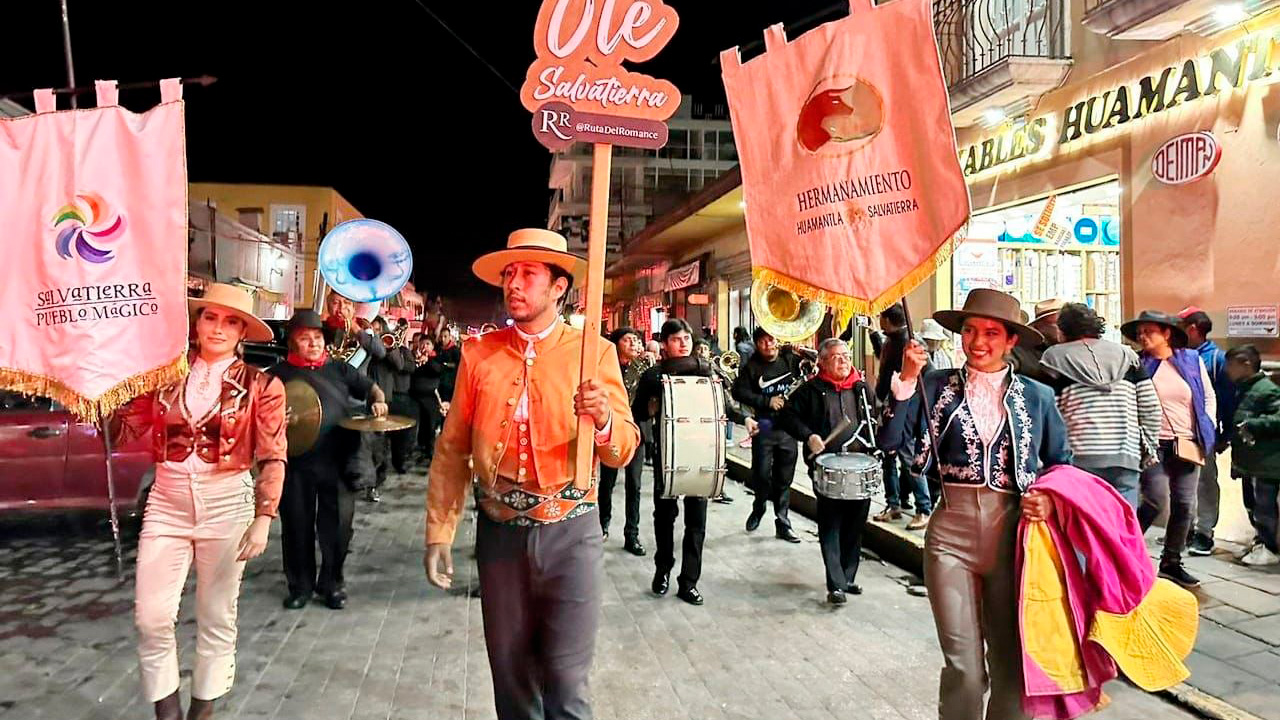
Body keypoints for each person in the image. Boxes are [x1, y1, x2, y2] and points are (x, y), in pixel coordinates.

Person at [424, 229, 640, 720]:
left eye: (528, 274)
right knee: (512, 679)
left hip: (573, 534)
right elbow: (453, 448)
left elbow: (623, 451)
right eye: (509, 274)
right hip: (499, 536)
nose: (513, 284)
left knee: (566, 682)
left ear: (558, 287)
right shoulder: (479, 353)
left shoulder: (594, 352)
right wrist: (439, 531)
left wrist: (604, 420)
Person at [880, 288, 1071, 720]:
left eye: (991, 332)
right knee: (964, 668)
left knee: (1012, 667)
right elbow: (891, 442)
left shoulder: (1038, 397)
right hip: (950, 534)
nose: (978, 342)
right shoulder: (933, 385)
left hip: (1014, 540)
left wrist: (1048, 501)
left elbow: (1063, 465)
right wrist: (906, 378)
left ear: (1011, 341)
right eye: (969, 330)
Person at [115, 283, 287, 720]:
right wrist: (107, 391)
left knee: (216, 616)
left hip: (227, 503)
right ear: (197, 322)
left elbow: (272, 454)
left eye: (231, 321)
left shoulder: (262, 385)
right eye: (211, 317)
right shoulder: (162, 377)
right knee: (151, 618)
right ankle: (167, 713)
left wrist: (264, 516)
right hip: (167, 501)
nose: (218, 328)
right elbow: (124, 431)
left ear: (243, 331)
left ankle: (201, 714)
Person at [269, 310, 387, 611]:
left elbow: (370, 387)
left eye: (318, 338)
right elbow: (261, 414)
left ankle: (333, 583)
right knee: (296, 525)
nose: (313, 344)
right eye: (305, 338)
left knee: (338, 529)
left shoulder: (339, 370)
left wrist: (379, 399)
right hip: (296, 463)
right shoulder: (278, 375)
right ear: (293, 343)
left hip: (337, 460)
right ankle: (300, 586)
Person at [633, 319, 748, 605]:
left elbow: (726, 404)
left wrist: (746, 419)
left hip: (701, 453)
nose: (683, 343)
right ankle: (662, 570)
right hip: (668, 456)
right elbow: (636, 413)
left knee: (696, 522)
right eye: (676, 339)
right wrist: (649, 408)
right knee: (664, 517)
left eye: (686, 338)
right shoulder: (653, 376)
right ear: (664, 345)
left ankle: (689, 581)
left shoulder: (707, 372)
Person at [1122, 310, 1217, 588]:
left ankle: (1171, 562)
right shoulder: (1137, 364)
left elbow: (1207, 395)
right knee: (1155, 499)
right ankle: (1124, 551)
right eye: (1139, 332)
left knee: (1186, 505)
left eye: (1149, 331)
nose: (1142, 336)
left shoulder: (1191, 360)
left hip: (1187, 442)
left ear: (1166, 333)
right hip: (1153, 444)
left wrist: (1207, 425)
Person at [780, 338, 875, 605]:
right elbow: (787, 416)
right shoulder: (810, 390)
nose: (843, 360)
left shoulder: (861, 388)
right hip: (826, 466)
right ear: (821, 362)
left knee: (855, 525)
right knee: (831, 524)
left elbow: (874, 416)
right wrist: (808, 435)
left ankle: (847, 576)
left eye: (846, 355)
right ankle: (835, 583)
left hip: (859, 464)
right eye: (835, 357)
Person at [1040, 303, 1162, 508]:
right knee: (1122, 527)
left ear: (1062, 331)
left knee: (1085, 530)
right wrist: (1147, 450)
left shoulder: (1054, 358)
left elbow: (1051, 413)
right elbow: (1150, 408)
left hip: (1077, 460)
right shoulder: (1128, 356)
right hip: (1125, 458)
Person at [733, 327, 812, 543]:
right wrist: (767, 401)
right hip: (765, 424)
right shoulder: (751, 367)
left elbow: (812, 374)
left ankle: (783, 522)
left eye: (771, 339)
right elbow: (738, 392)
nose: (769, 344)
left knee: (784, 478)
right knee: (760, 473)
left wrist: (802, 352)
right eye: (763, 341)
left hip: (788, 426)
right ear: (756, 344)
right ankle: (759, 507)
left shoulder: (790, 360)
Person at [1180, 307, 1239, 556]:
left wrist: (1223, 434)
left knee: (1205, 482)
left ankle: (1205, 532)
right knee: (1181, 482)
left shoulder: (1215, 359)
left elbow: (1226, 398)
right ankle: (1186, 528)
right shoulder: (1179, 355)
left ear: (1192, 329)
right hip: (1180, 429)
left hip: (1204, 431)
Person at [872, 303, 933, 529]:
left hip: (905, 409)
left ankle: (924, 508)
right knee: (888, 457)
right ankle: (893, 504)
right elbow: (884, 361)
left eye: (880, 318)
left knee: (908, 459)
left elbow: (928, 374)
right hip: (891, 405)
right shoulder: (892, 339)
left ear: (887, 320)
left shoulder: (910, 342)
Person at [1224, 345, 1280, 566]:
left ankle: (1269, 547)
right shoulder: (1244, 388)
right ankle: (1259, 542)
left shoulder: (1266, 389)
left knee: (1264, 507)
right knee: (1252, 505)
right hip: (1249, 461)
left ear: (1245, 363)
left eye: (1230, 365)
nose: (1227, 370)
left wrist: (1253, 425)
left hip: (1265, 463)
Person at [600, 327, 649, 555]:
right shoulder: (607, 367)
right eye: (627, 340)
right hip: (611, 432)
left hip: (637, 432)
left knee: (635, 484)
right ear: (616, 344)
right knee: (607, 482)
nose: (633, 344)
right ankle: (602, 523)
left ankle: (632, 534)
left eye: (636, 340)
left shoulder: (644, 368)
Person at [696, 338, 744, 503]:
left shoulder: (715, 367)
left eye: (704, 348)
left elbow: (728, 388)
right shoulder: (691, 369)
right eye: (699, 348)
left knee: (718, 456)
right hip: (700, 419)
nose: (702, 351)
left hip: (718, 416)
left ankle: (718, 488)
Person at [1010, 298, 1064, 386]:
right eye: (1058, 323)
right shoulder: (1020, 351)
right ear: (1038, 326)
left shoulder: (1076, 346)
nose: (1064, 328)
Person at [409, 334, 444, 464]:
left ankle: (430, 453)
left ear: (433, 346)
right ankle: (422, 450)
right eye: (422, 344)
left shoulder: (437, 358)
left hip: (430, 398)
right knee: (420, 427)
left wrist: (427, 360)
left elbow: (437, 370)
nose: (424, 347)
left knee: (430, 426)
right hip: (415, 397)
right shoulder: (413, 357)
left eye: (428, 344)